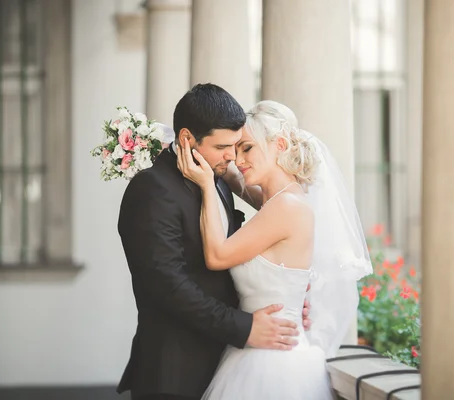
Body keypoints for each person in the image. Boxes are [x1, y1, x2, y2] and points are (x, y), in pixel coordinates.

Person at [116, 85, 310, 400]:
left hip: (229, 364)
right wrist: (245, 327)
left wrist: (284, 293)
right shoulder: (151, 190)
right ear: (186, 140)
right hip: (175, 374)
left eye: (237, 146)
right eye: (222, 146)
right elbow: (168, 284)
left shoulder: (217, 179)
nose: (232, 157)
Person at [177, 100, 373, 399]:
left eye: (247, 148)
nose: (236, 160)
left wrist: (206, 185)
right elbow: (244, 185)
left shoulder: (286, 208)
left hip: (274, 363)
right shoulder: (279, 200)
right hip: (255, 350)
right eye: (234, 150)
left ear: (279, 144)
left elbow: (217, 256)